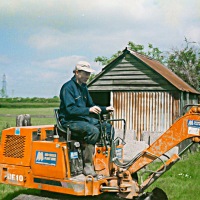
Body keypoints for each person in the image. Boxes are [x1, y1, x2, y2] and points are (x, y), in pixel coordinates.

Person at [59, 61, 114, 176]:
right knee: (93, 130)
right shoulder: (67, 88)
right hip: (69, 121)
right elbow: (70, 110)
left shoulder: (83, 88)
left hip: (82, 120)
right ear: (77, 73)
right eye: (85, 74)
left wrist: (105, 108)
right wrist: (88, 111)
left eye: (89, 74)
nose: (88, 77)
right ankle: (88, 165)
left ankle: (105, 159)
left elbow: (91, 105)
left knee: (107, 127)